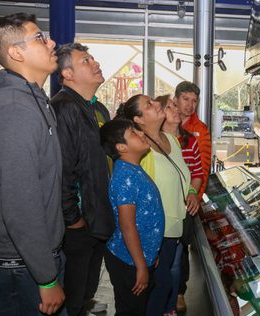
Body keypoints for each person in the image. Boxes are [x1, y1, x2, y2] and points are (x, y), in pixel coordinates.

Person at [0, 13, 65, 315]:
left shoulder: (31, 97)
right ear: (16, 53)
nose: (52, 42)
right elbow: (20, 200)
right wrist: (45, 278)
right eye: (40, 37)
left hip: (33, 259)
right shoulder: (14, 107)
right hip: (21, 267)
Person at [115, 94, 198, 316]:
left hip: (176, 226)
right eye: (149, 105)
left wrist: (191, 192)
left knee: (167, 284)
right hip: (156, 231)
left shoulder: (171, 140)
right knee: (158, 288)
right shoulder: (140, 150)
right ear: (139, 119)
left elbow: (184, 176)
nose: (158, 105)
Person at [51, 42, 115, 316]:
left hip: (95, 219)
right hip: (78, 225)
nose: (95, 63)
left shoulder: (97, 108)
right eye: (86, 61)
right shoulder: (63, 108)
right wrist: (73, 219)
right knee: (72, 298)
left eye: (93, 58)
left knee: (86, 293)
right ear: (67, 74)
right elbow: (61, 170)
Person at [100, 119, 165, 315]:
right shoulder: (124, 176)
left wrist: (151, 253)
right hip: (128, 262)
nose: (141, 134)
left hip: (139, 257)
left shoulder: (134, 169)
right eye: (133, 133)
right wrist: (140, 266)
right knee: (131, 310)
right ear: (121, 147)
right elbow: (127, 226)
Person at [173, 81, 212, 311]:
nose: (190, 105)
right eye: (186, 99)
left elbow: (202, 168)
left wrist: (195, 197)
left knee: (181, 248)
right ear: (176, 99)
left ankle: (179, 292)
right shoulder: (165, 122)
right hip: (164, 198)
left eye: (194, 100)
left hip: (187, 201)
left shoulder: (201, 130)